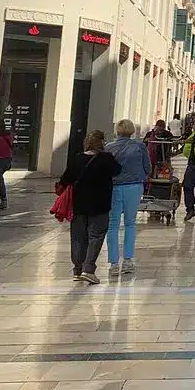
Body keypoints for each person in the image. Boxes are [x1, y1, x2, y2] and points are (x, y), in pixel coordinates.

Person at [58, 131, 120, 284]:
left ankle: (77, 269)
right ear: (102, 143)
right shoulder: (106, 159)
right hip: (100, 205)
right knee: (96, 236)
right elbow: (118, 171)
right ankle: (89, 269)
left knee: (78, 237)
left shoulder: (77, 159)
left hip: (79, 205)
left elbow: (65, 179)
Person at [105, 119, 150, 275]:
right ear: (132, 131)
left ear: (117, 131)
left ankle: (113, 264)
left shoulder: (108, 148)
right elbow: (147, 167)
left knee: (113, 224)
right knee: (130, 223)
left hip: (114, 187)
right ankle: (128, 261)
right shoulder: (139, 147)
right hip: (134, 186)